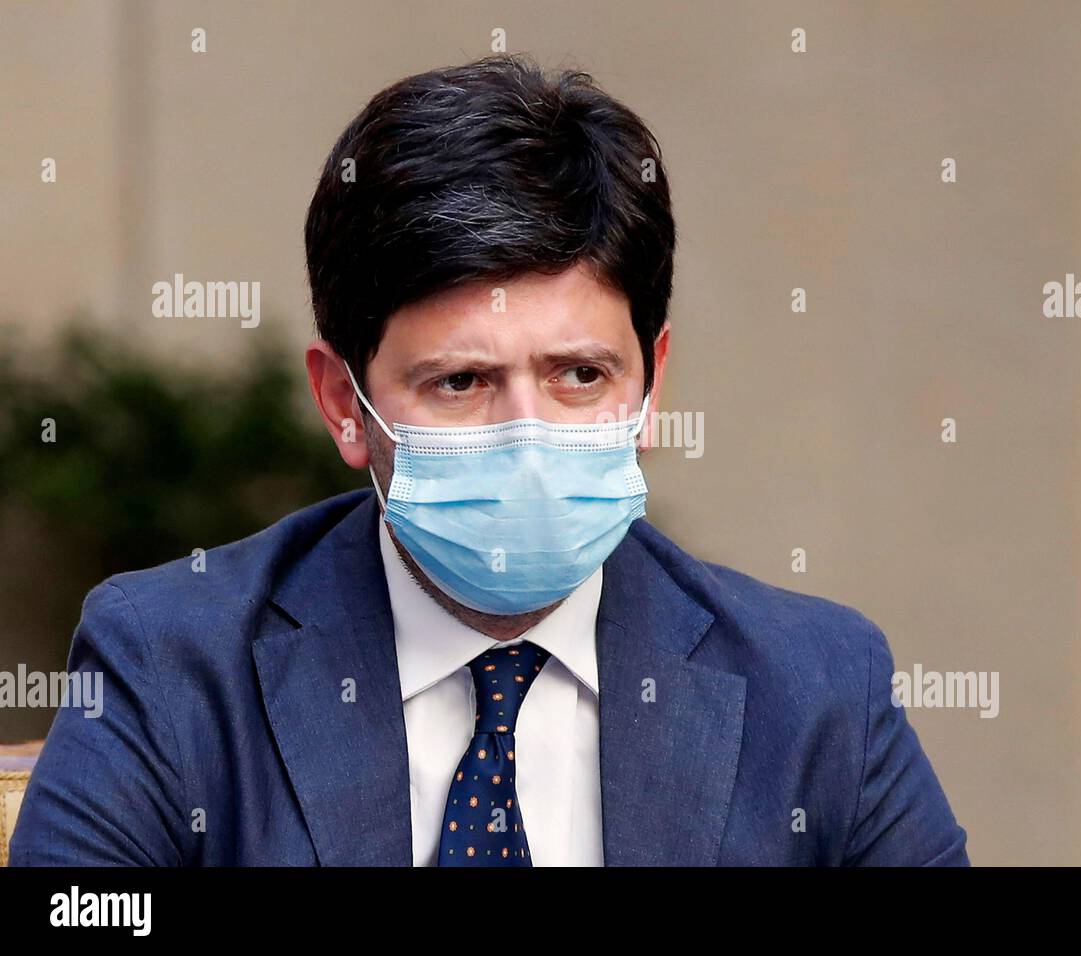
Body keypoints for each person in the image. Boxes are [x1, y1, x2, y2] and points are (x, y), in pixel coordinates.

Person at [11, 54, 969, 866]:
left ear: (651, 384)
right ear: (345, 404)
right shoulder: (173, 666)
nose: (531, 435)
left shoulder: (815, 688)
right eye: (462, 383)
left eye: (581, 375)